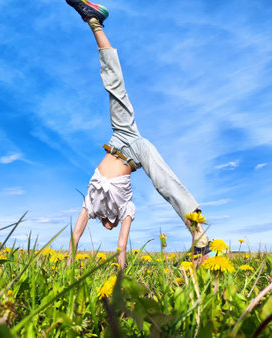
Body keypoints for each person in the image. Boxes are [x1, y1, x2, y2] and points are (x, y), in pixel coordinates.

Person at [66, 0, 210, 268]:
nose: (109, 228)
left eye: (108, 227)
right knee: (165, 184)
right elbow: (122, 246)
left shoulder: (92, 205)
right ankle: (200, 238)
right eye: (113, 227)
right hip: (135, 152)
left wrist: (68, 265)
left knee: (114, 85)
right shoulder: (126, 211)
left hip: (119, 138)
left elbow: (76, 234)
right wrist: (120, 272)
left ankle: (93, 20)